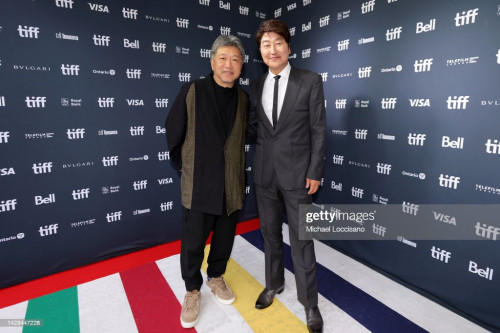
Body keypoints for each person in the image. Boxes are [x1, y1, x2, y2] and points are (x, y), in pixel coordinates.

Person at [165, 35, 248, 329]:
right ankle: (192, 290)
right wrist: (188, 169)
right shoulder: (193, 90)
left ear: (242, 66)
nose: (229, 65)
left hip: (231, 185)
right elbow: (173, 134)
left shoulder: (243, 98)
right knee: (192, 244)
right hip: (198, 184)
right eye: (223, 58)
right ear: (212, 61)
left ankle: (216, 277)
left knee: (224, 239)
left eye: (235, 59)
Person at [248, 19, 326, 333]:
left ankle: (310, 303)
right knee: (269, 235)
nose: (272, 50)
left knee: (302, 239)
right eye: (266, 45)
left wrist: (315, 170)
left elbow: (318, 129)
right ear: (261, 52)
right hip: (265, 173)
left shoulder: (310, 80)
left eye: (277, 43)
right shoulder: (254, 86)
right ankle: (274, 284)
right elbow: (255, 129)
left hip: (298, 175)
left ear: (288, 46)